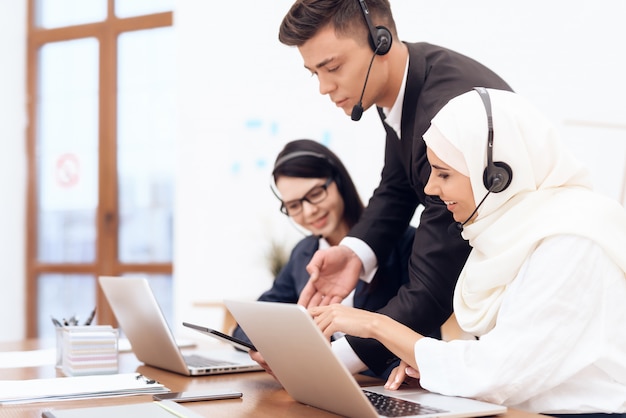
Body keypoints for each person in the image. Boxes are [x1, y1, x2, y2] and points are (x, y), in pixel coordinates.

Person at [310, 88, 626, 415]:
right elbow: (511, 359)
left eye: (443, 173)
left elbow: (500, 373)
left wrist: (377, 326)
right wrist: (436, 372)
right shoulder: (511, 232)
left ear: (497, 177)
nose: (431, 188)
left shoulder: (571, 240)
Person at [278, 0, 512, 375]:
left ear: (381, 42)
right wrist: (355, 252)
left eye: (333, 67)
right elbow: (399, 185)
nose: (324, 87)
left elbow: (434, 282)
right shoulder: (406, 88)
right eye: (314, 73)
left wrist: (329, 363)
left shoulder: (446, 108)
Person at [232, 139, 421, 378]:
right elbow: (245, 325)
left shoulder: (405, 243)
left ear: (339, 182)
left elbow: (420, 332)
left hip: (388, 387)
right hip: (324, 383)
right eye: (294, 205)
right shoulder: (304, 253)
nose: (309, 211)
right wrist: (270, 347)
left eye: (315, 194)